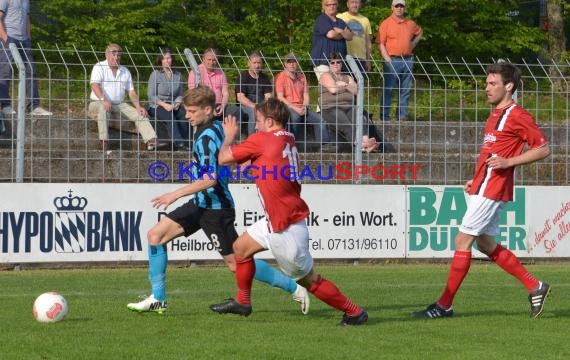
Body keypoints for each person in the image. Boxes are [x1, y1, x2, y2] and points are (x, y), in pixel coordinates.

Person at [127, 86, 309, 315]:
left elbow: (210, 179)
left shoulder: (208, 136)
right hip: (200, 203)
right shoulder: (213, 129)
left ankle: (293, 287)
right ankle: (158, 299)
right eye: (187, 110)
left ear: (207, 110)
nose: (186, 115)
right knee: (155, 236)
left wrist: (173, 195)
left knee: (235, 263)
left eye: (192, 111)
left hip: (216, 208)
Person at [209, 98, 368, 326]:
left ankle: (354, 312)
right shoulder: (288, 137)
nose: (255, 126)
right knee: (240, 249)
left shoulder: (261, 140)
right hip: (279, 218)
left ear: (271, 121)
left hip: (285, 226)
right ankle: (243, 301)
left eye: (259, 121)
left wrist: (229, 137)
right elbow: (265, 159)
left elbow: (224, 158)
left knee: (309, 281)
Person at [413, 62, 551, 319]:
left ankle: (444, 306)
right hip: (483, 185)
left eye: (492, 84)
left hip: (493, 188)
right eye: (487, 83)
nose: (486, 88)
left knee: (462, 241)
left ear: (508, 86)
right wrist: (475, 180)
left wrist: (509, 162)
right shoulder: (495, 114)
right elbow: (492, 155)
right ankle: (535, 286)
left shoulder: (518, 115)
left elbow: (542, 149)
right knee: (486, 244)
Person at [89, 43, 163, 151]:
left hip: (119, 104)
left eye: (118, 55)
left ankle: (151, 141)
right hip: (98, 102)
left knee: (139, 114)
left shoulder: (125, 71)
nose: (116, 57)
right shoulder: (99, 67)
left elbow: (131, 92)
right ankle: (104, 141)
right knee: (103, 108)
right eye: (113, 54)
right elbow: (94, 85)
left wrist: (138, 106)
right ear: (106, 55)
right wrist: (103, 100)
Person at [319, 52, 382, 153]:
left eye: (338, 62)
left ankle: (366, 142)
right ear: (329, 64)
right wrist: (347, 86)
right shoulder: (325, 75)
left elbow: (356, 91)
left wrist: (340, 84)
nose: (335, 64)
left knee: (360, 118)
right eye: (332, 62)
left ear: (342, 64)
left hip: (349, 106)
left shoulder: (348, 77)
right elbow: (333, 90)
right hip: (331, 107)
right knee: (346, 123)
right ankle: (360, 145)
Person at [0, 0, 51, 116]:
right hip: (9, 38)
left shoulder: (26, 1)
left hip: (24, 41)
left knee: (30, 71)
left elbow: (27, 18)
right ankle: (5, 105)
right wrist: (5, 38)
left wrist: (28, 38)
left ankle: (34, 106)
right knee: (5, 71)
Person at [376, 0, 422, 121]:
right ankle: (384, 116)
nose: (399, 8)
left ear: (405, 8)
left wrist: (412, 44)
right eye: (397, 6)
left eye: (402, 6)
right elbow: (381, 43)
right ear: (392, 7)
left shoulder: (410, 23)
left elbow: (419, 32)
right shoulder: (385, 23)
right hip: (392, 60)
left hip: (408, 60)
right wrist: (387, 59)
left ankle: (402, 116)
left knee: (405, 89)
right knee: (388, 89)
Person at [274, 52, 329, 150]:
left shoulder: (302, 77)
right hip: (287, 107)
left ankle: (323, 146)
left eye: (294, 61)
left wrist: (304, 106)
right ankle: (293, 145)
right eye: (289, 62)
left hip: (301, 107)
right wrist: (295, 107)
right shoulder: (281, 77)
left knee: (320, 120)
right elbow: (280, 97)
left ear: (297, 63)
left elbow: (306, 94)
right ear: (285, 64)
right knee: (295, 118)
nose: (292, 64)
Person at [147, 48, 190, 151]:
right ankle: (179, 143)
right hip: (157, 105)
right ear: (160, 61)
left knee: (185, 115)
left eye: (169, 58)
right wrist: (164, 105)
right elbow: (151, 95)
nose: (167, 60)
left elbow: (180, 94)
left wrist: (177, 103)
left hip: (173, 104)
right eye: (164, 58)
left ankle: (183, 142)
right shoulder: (155, 74)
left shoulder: (178, 75)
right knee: (170, 116)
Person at [188, 48, 237, 122]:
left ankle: (235, 133)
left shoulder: (221, 73)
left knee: (236, 111)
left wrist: (223, 106)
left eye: (214, 60)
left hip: (220, 105)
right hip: (203, 105)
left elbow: (225, 93)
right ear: (203, 59)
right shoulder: (195, 72)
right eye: (209, 59)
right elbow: (194, 93)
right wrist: (210, 107)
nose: (211, 62)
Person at [310, 0, 352, 80]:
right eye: (328, 5)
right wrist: (343, 34)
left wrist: (340, 31)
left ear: (337, 6)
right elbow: (330, 34)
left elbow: (350, 36)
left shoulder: (341, 21)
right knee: (330, 87)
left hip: (338, 63)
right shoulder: (321, 19)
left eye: (334, 4)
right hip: (323, 61)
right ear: (324, 7)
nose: (331, 6)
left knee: (340, 88)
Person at [236, 51, 272, 136]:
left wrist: (263, 107)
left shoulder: (265, 78)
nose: (257, 65)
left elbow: (268, 96)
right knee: (254, 112)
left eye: (259, 63)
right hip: (245, 106)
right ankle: (251, 139)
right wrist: (255, 106)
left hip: (262, 105)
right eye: (254, 63)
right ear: (249, 64)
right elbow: (240, 98)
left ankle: (269, 138)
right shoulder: (243, 76)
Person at [337, 0, 372, 73]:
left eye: (357, 2)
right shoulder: (339, 17)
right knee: (345, 83)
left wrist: (368, 60)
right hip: (344, 57)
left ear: (360, 4)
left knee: (360, 82)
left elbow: (368, 43)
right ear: (347, 4)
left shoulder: (365, 20)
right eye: (352, 2)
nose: (355, 5)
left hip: (361, 58)